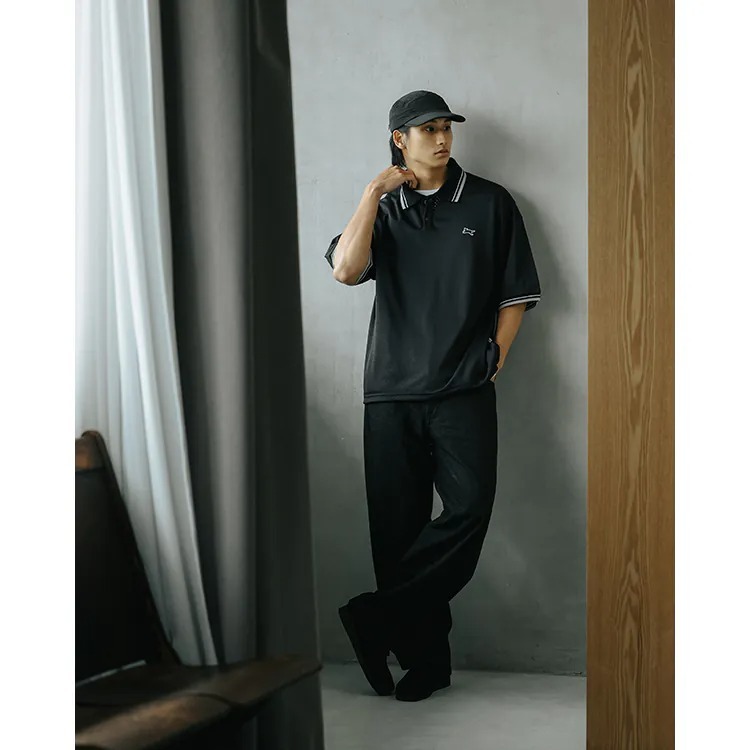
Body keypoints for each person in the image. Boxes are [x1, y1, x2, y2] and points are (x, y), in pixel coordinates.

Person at [324, 90, 542, 702]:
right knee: (396, 532)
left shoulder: (490, 202)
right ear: (400, 139)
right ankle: (426, 664)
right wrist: (372, 193)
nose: (442, 138)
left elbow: (516, 292)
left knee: (469, 509)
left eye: (446, 127)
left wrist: (495, 355)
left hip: (462, 388)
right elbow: (346, 270)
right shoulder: (384, 209)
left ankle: (374, 617)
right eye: (428, 129)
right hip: (389, 392)